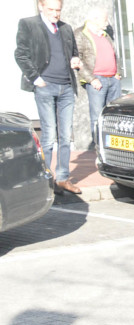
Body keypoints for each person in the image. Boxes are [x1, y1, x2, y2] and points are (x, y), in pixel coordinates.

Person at [15, 0, 82, 194]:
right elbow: (21, 54)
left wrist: (74, 60)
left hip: (66, 87)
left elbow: (73, 53)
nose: (55, 14)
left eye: (58, 10)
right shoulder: (28, 24)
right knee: (49, 134)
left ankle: (62, 178)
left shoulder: (66, 28)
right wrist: (36, 78)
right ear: (40, 7)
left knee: (65, 136)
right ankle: (44, 179)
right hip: (45, 86)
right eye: (51, 9)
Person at [75, 6, 120, 152]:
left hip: (112, 79)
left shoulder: (104, 34)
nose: (107, 23)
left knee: (114, 116)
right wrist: (92, 79)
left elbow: (113, 54)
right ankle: (101, 150)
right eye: (105, 19)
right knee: (97, 117)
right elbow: (78, 59)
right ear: (94, 19)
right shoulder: (80, 34)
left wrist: (117, 73)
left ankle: (114, 149)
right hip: (97, 80)